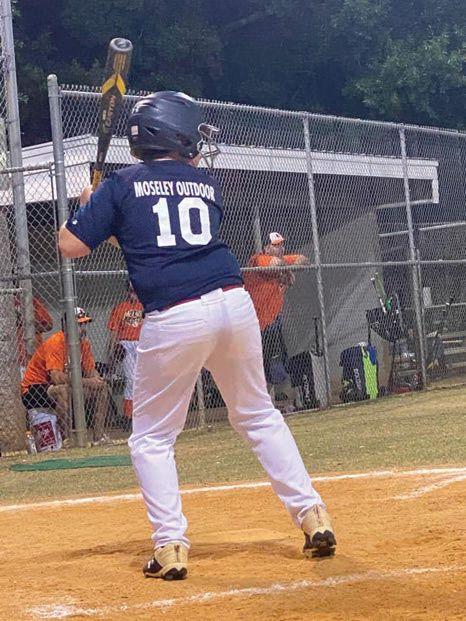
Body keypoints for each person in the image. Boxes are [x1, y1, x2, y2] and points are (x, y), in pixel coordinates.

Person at [59, 90, 335, 581]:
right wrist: (101, 211)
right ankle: (313, 514)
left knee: (151, 437)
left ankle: (170, 544)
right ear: (175, 134)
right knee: (258, 415)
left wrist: (87, 209)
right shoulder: (205, 184)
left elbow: (70, 245)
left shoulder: (121, 184)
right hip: (233, 303)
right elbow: (159, 234)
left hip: (175, 314)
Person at [21, 307, 109, 443]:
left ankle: (99, 437)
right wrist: (88, 381)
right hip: (35, 388)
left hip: (62, 385)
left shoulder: (83, 343)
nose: (83, 329)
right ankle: (67, 440)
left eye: (84, 324)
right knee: (63, 391)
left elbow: (91, 371)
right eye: (79, 325)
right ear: (68, 326)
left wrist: (97, 379)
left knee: (101, 388)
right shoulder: (56, 341)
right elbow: (56, 378)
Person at [244, 232, 309, 389]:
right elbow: (274, 265)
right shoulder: (259, 259)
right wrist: (287, 271)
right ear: (266, 248)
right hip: (253, 323)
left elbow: (304, 260)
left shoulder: (282, 260)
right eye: (275, 245)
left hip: (272, 323)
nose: (280, 248)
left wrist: (286, 269)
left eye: (281, 245)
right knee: (258, 368)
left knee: (276, 369)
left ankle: (268, 399)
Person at [107, 283, 144, 417]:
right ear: (127, 292)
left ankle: (143, 413)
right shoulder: (120, 308)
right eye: (130, 290)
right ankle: (129, 414)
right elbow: (113, 332)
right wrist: (111, 352)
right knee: (131, 379)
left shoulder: (145, 306)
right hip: (125, 344)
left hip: (142, 343)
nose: (133, 293)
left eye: (135, 290)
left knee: (143, 379)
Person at [15, 295, 53, 372]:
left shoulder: (30, 301)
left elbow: (49, 325)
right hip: (13, 361)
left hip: (34, 358)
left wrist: (30, 329)